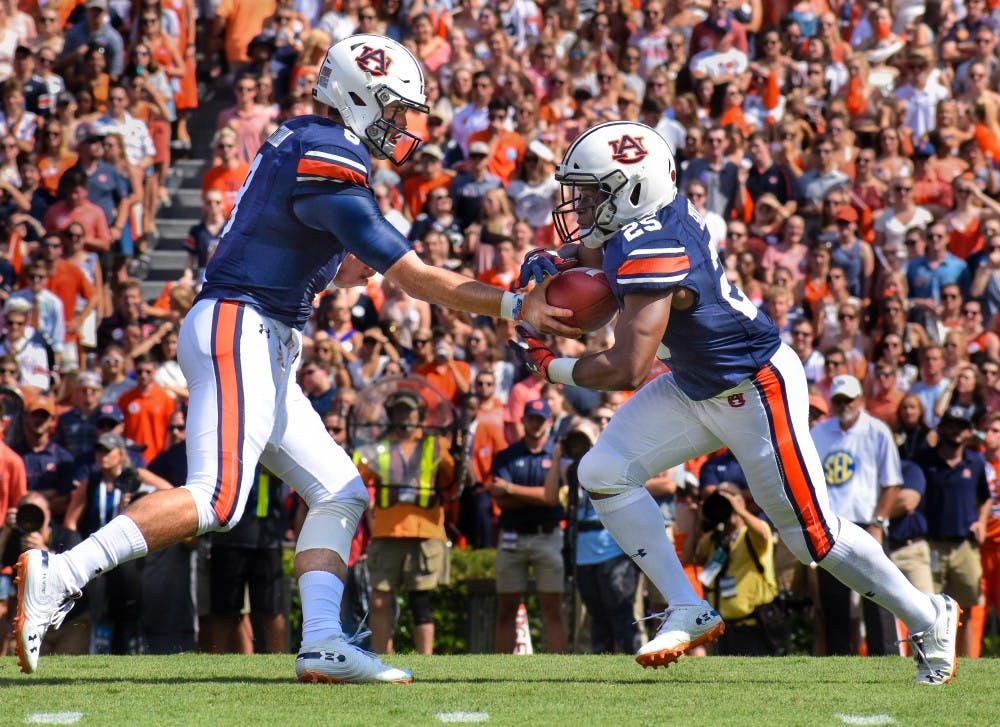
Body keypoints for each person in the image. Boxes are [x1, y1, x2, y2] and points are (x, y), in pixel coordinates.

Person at [13, 33, 569, 684]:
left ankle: (326, 641)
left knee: (340, 490)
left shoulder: (305, 139)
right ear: (358, 99)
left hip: (260, 332)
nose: (405, 125)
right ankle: (60, 573)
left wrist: (346, 266)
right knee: (216, 497)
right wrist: (513, 306)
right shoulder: (329, 153)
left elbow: (304, 247)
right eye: (395, 107)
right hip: (240, 325)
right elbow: (413, 278)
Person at [511, 120, 959, 684]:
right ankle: (686, 606)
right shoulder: (656, 212)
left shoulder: (653, 244)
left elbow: (627, 367)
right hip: (696, 381)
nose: (583, 204)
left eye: (596, 191)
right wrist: (564, 257)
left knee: (813, 536)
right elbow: (610, 249)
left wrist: (550, 367)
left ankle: (928, 616)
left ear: (631, 191)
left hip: (754, 387)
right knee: (602, 471)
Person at [354, 389, 457, 655]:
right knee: (379, 600)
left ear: (419, 415)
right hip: (387, 530)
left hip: (425, 530)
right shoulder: (380, 446)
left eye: (409, 411)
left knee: (420, 600)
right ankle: (379, 658)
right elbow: (357, 473)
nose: (404, 416)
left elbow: (452, 479)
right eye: (399, 411)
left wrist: (458, 447)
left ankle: (426, 660)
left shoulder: (435, 444)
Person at [809, 374, 902, 656]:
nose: (843, 405)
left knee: (878, 595)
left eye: (848, 399)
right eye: (837, 400)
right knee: (833, 600)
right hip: (831, 525)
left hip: (866, 522)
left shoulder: (877, 431)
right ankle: (839, 658)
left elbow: (892, 482)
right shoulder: (819, 433)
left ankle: (885, 655)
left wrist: (879, 521)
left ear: (860, 399)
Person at [489, 397, 567, 654]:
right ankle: (500, 667)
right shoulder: (505, 457)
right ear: (522, 420)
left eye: (540, 419)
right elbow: (502, 502)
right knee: (506, 607)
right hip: (513, 536)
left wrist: (512, 489)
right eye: (531, 418)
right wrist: (539, 496)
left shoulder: (558, 456)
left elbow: (552, 497)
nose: (535, 424)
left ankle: (560, 667)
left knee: (552, 605)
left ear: (550, 421)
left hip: (547, 536)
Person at [915, 403, 991, 657]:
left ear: (969, 431)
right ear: (942, 428)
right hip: (932, 544)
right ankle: (934, 659)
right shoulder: (926, 460)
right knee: (930, 610)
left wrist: (981, 521)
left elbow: (986, 497)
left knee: (968, 607)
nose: (956, 431)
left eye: (962, 426)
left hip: (964, 545)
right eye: (951, 425)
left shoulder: (976, 462)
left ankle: (968, 661)